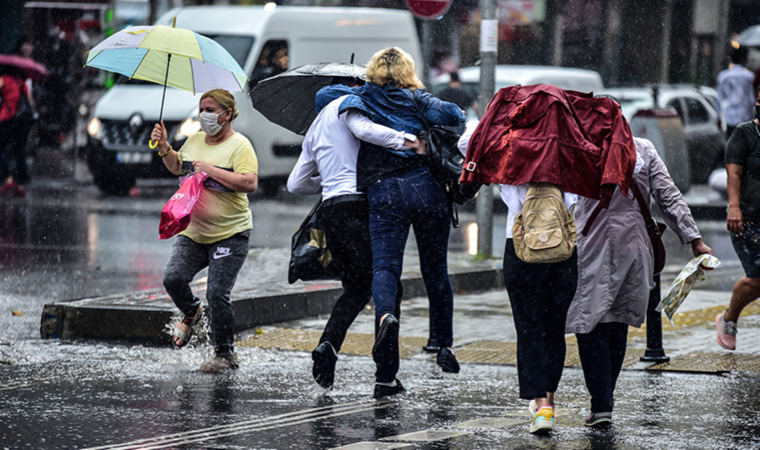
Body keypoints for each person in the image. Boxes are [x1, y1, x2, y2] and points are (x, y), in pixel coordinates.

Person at [321, 47, 465, 398]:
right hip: (428, 188)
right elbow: (455, 115)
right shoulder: (419, 98)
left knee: (385, 267)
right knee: (436, 269)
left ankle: (386, 315)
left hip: (384, 191)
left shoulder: (362, 96)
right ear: (407, 71)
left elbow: (325, 95)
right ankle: (443, 343)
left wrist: (359, 87)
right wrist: (425, 102)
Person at [567, 136, 712, 427]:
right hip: (632, 247)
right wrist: (694, 239)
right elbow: (668, 195)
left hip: (589, 244)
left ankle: (601, 402)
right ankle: (604, 399)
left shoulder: (578, 146)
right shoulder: (642, 147)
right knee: (617, 323)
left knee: (590, 322)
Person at [287, 80, 419, 393]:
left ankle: (328, 346)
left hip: (333, 210)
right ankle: (386, 376)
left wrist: (328, 181)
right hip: (359, 207)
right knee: (387, 284)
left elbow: (295, 184)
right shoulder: (347, 106)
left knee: (358, 287)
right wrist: (410, 141)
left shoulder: (316, 127)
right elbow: (366, 131)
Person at [150, 89, 258, 372]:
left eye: (211, 110)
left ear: (228, 114)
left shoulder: (240, 146)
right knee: (173, 279)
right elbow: (178, 168)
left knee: (217, 293)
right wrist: (164, 148)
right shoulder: (195, 140)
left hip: (230, 234)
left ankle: (224, 354)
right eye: (202, 109)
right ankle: (191, 312)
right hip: (193, 233)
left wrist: (212, 170)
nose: (204, 115)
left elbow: (249, 183)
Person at [717, 86, 760, 351]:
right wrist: (734, 207)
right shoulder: (744, 134)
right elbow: (733, 174)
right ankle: (729, 319)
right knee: (757, 277)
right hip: (748, 219)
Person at [0, 62, 36, 198]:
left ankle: (8, 178)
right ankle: (21, 186)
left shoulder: (4, 80)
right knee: (20, 152)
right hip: (23, 121)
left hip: (7, 119)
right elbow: (30, 101)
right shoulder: (22, 82)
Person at [717, 45, 755, 140]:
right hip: (745, 116)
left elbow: (719, 98)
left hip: (729, 117)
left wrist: (718, 117)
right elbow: (751, 99)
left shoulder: (723, 76)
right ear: (744, 59)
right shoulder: (749, 77)